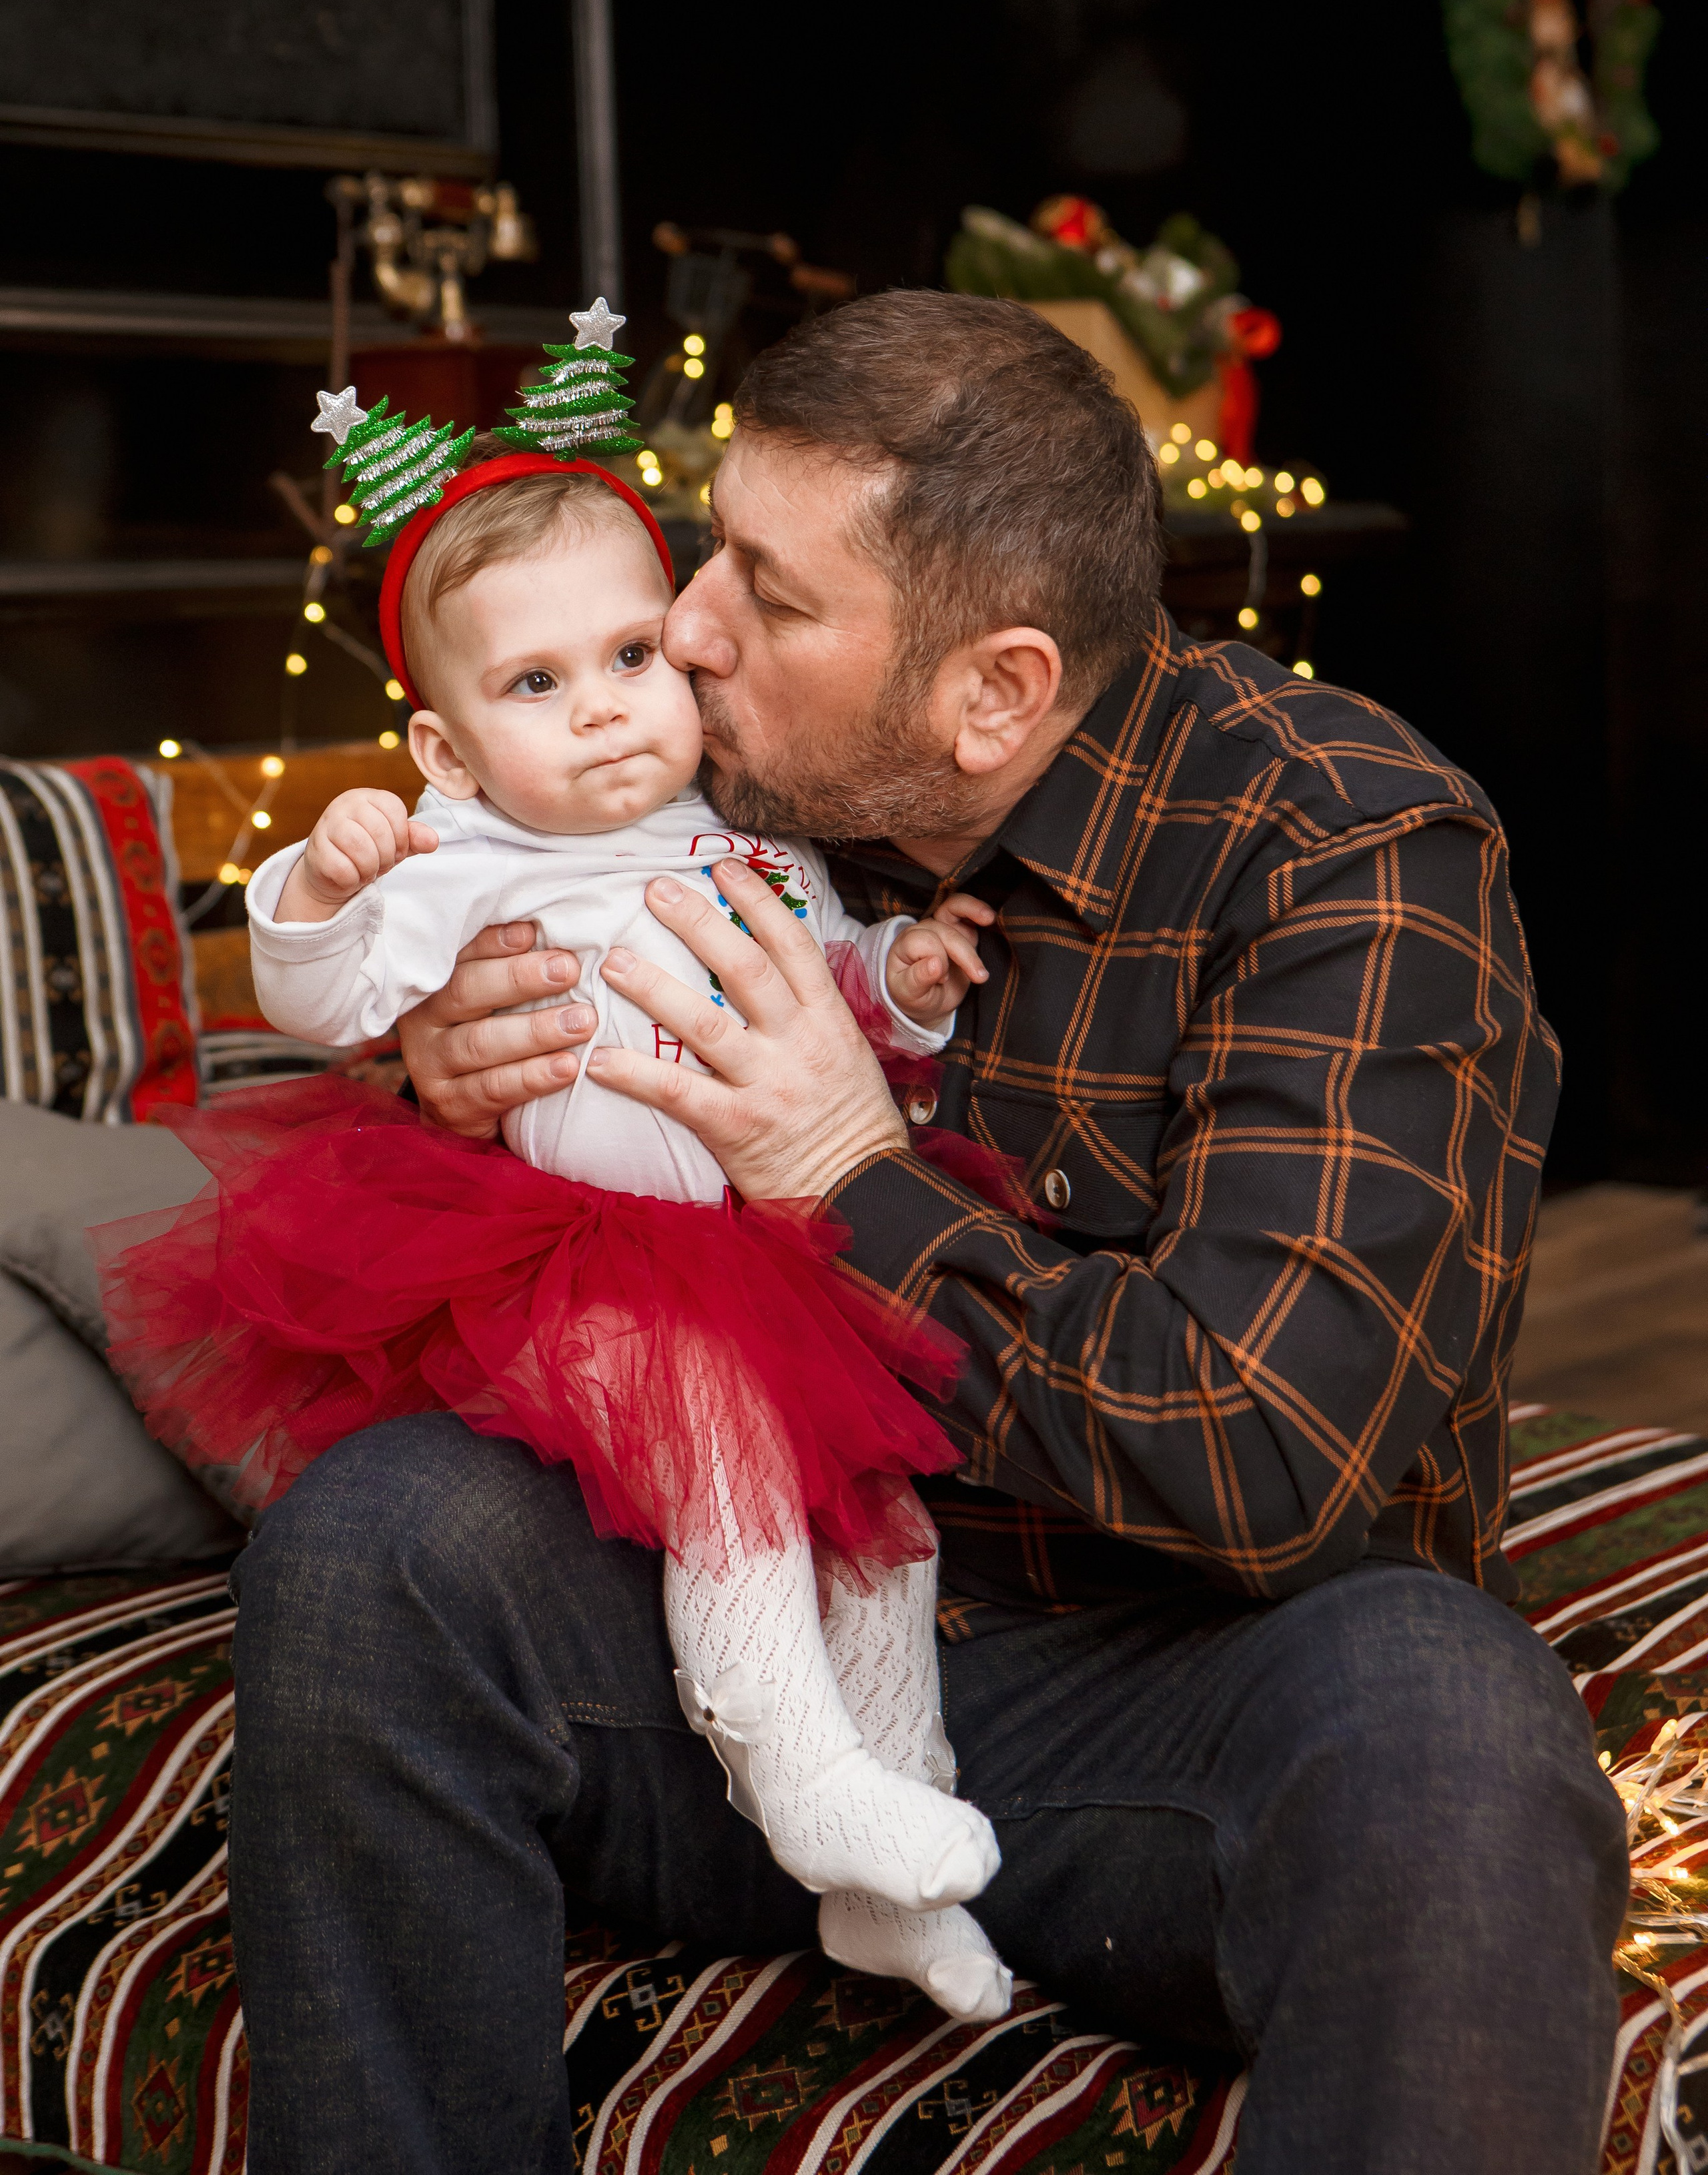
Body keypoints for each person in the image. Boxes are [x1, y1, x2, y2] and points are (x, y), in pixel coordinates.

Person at [226, 291, 1628, 2175]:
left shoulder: (1345, 858)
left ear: (997, 692)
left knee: (1447, 1723)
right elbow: (423, 962)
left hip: (1161, 1684)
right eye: (708, 547)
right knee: (375, 1546)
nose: (687, 633)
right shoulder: (717, 758)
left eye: (769, 597)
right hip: (732, 1643)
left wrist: (846, 1176)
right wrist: (465, 1073)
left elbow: (1275, 1457)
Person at [100, 384, 1021, 2020]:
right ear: (451, 746)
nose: (600, 712)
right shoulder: (462, 854)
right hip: (583, 1275)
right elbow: (319, 1000)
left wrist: (912, 977)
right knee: (731, 1464)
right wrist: (319, 884)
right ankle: (794, 1773)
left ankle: (901, 1843)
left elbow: (832, 998)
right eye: (536, 684)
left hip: (771, 1253)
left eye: (628, 659)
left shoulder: (757, 839)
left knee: (885, 1532)